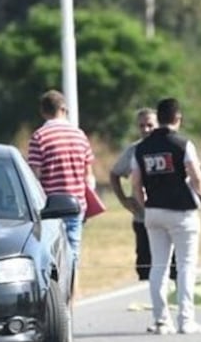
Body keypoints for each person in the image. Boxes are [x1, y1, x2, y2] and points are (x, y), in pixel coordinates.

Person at [130, 97, 201, 335]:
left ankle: (162, 320)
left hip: (153, 211)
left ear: (158, 118)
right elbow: (196, 175)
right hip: (181, 211)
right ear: (178, 118)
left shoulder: (140, 148)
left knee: (158, 266)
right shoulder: (183, 144)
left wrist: (145, 206)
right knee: (185, 266)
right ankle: (186, 320)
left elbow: (135, 182)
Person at [27, 90, 95, 269]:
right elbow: (88, 175)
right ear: (64, 109)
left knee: (51, 255)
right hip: (76, 203)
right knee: (73, 253)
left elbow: (35, 175)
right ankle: (72, 295)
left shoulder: (39, 137)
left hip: (50, 207)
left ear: (43, 112)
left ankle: (56, 294)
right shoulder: (79, 135)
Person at [109, 108, 177, 282]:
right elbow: (115, 173)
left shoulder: (171, 145)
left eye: (150, 125)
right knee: (146, 264)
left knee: (174, 265)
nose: (146, 129)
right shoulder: (135, 150)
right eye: (142, 126)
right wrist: (124, 199)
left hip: (171, 214)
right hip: (143, 217)